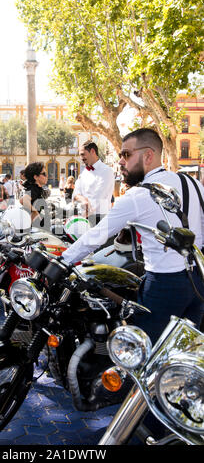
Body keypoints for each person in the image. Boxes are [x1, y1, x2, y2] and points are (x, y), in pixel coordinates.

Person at [62, 128, 204, 344]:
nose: (120, 161)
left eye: (126, 154)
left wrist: (61, 261)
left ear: (148, 155)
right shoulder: (194, 184)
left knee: (141, 354)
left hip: (163, 284)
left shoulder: (139, 195)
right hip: (198, 282)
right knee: (182, 352)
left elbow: (96, 236)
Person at [72, 141, 115, 226]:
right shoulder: (84, 172)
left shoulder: (106, 171)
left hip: (100, 219)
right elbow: (75, 193)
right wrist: (83, 199)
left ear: (92, 151)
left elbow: (98, 197)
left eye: (83, 154)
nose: (81, 158)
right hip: (84, 218)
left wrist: (85, 214)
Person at [20, 162, 49, 226]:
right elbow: (23, 200)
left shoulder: (35, 188)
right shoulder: (33, 189)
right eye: (44, 174)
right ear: (36, 177)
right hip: (32, 230)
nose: (46, 176)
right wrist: (35, 211)